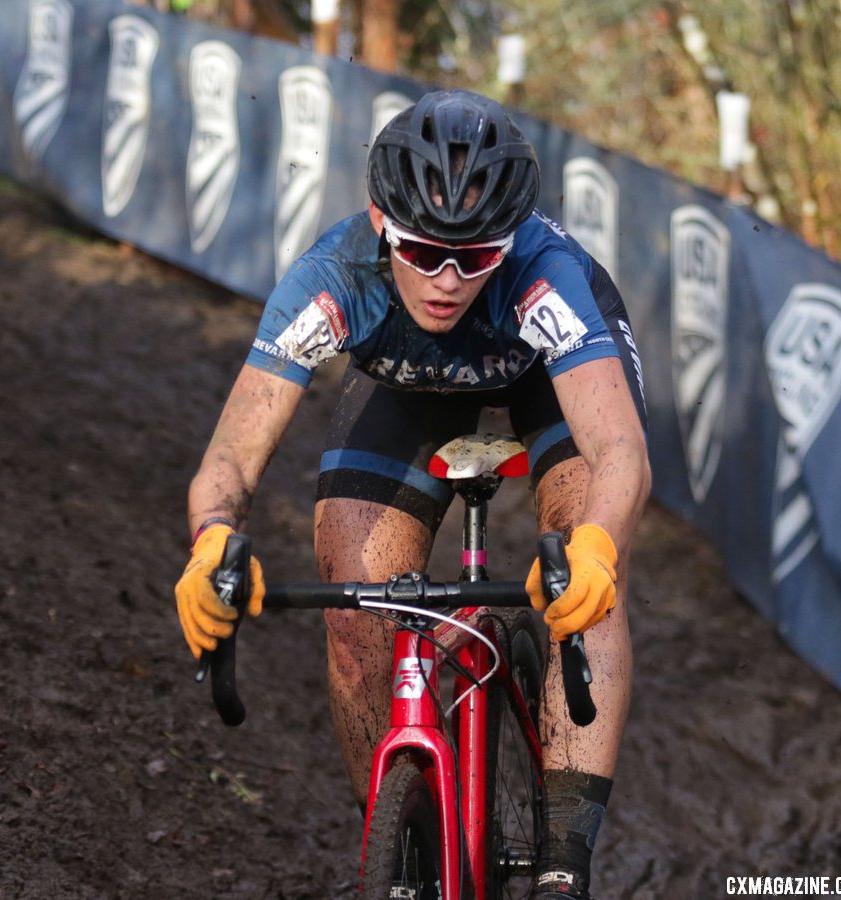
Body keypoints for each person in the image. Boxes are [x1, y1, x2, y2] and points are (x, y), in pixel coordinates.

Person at [175, 88, 650, 900]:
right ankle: (398, 841)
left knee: (583, 572)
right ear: (379, 224)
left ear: (510, 244)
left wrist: (599, 545)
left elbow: (619, 452)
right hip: (409, 386)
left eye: (476, 257)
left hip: (546, 381)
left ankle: (566, 863)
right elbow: (232, 454)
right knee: (351, 598)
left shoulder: (547, 276)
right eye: (424, 253)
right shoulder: (331, 277)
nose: (448, 280)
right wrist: (212, 539)